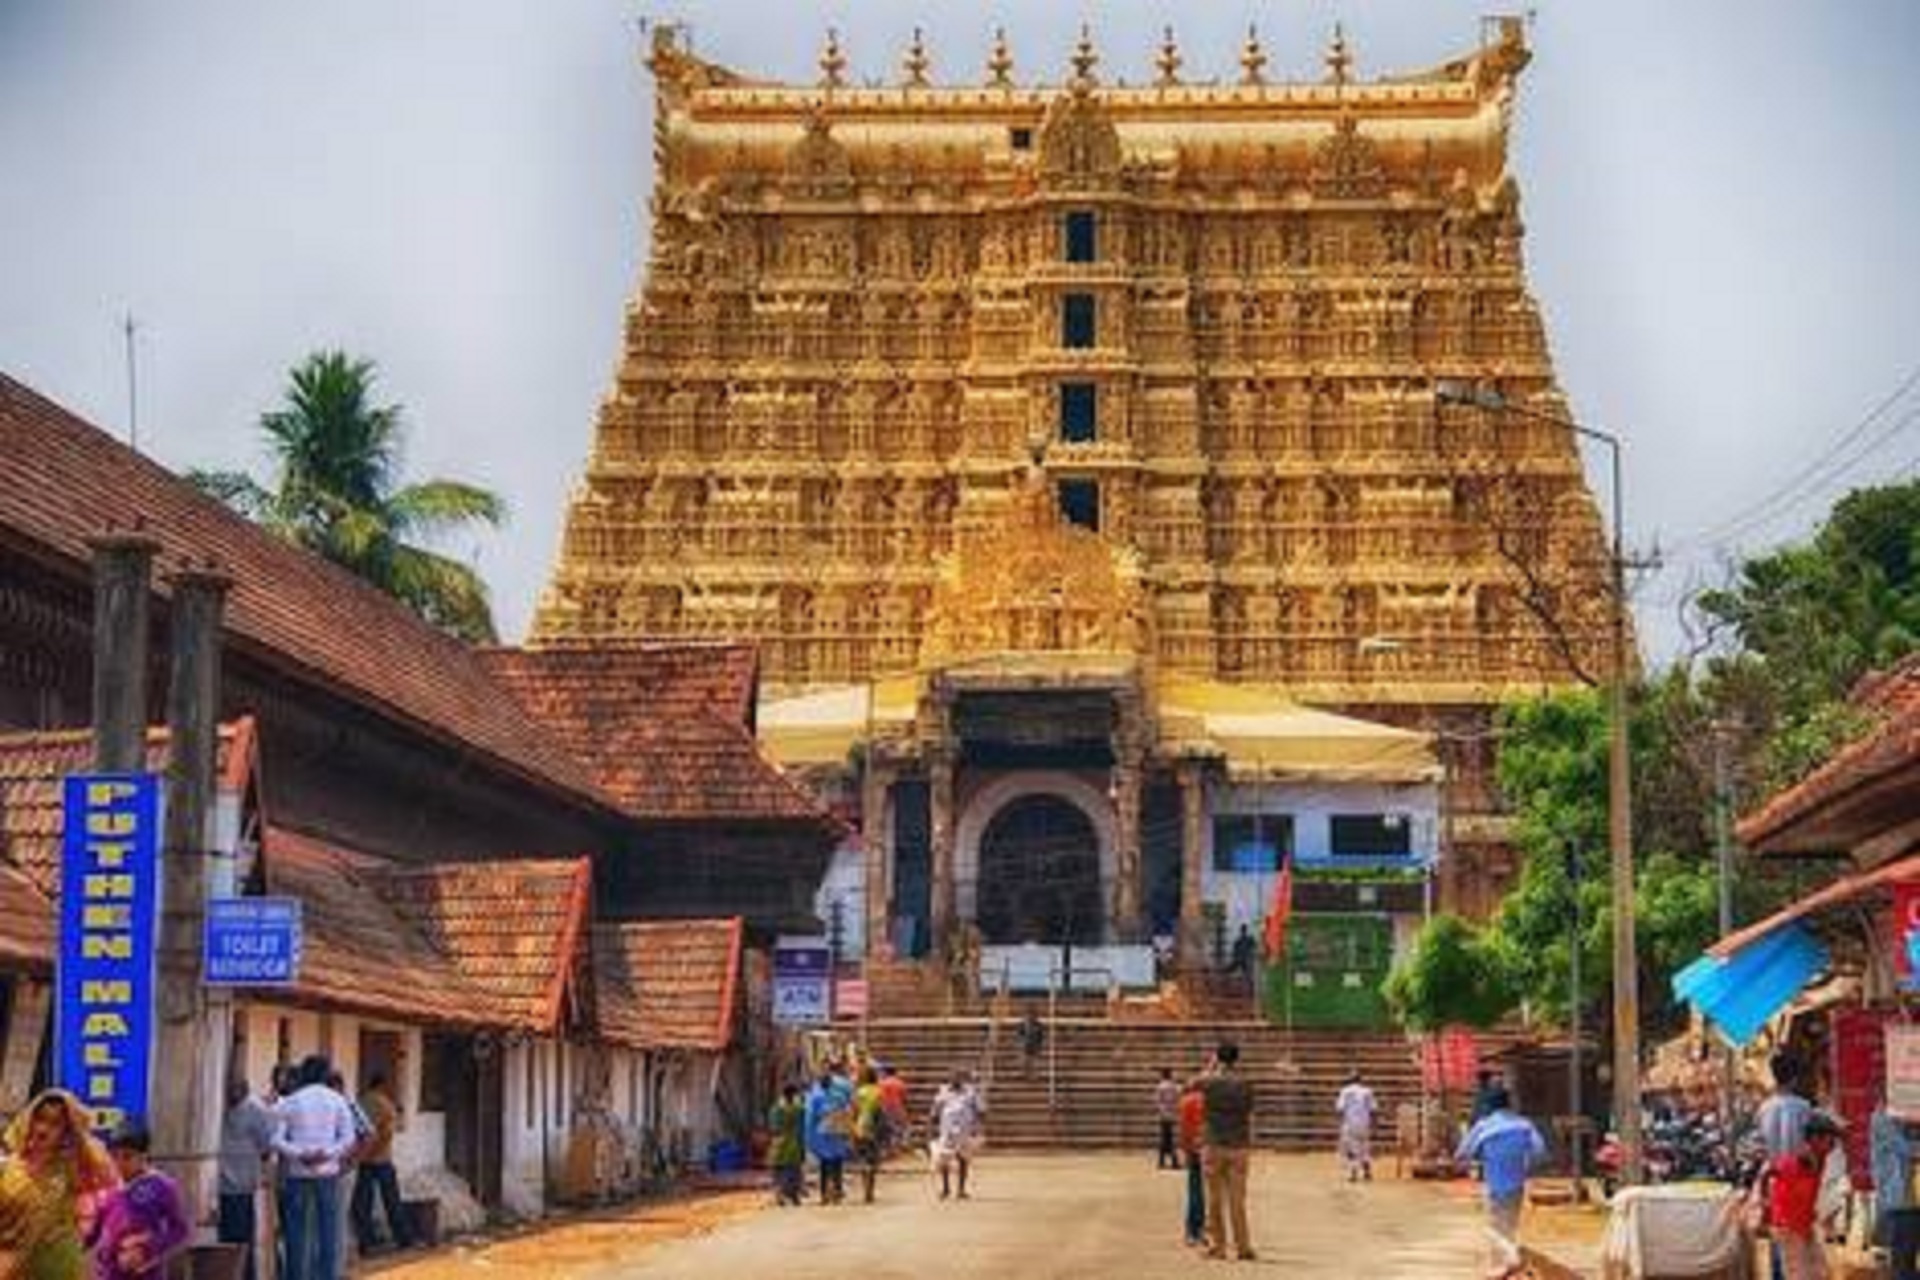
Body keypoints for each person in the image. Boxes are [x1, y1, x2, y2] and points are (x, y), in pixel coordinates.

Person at [0, 1089, 117, 1280]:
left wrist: (79, 1130)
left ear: (66, 1131)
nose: (42, 1128)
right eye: (39, 1118)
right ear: (27, 1120)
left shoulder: (70, 1167)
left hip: (60, 1267)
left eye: (55, 1123)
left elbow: (108, 1176)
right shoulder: (6, 1168)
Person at [274, 1054, 358, 1280]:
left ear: (303, 1074)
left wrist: (301, 1154)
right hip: (328, 1173)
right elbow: (349, 1138)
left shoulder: (292, 1100)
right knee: (328, 1232)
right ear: (326, 1075)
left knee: (296, 1233)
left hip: (298, 1173)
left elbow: (276, 1139)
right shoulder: (337, 1100)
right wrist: (327, 1154)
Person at [1455, 1085, 1546, 1280]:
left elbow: (1463, 1153)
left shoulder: (1483, 1126)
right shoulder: (1525, 1125)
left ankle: (1506, 1262)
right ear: (1509, 1104)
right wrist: (1525, 1161)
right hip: (1517, 1184)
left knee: (1493, 1228)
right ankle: (1507, 1268)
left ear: (1489, 1106)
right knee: (1510, 1226)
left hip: (1493, 1183)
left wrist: (1480, 1154)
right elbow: (1540, 1151)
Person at [89, 1121, 190, 1280]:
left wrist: (148, 1248)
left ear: (144, 1156)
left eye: (127, 1157)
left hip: (145, 1273)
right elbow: (93, 1231)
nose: (119, 1163)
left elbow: (180, 1230)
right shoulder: (106, 1185)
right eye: (114, 1156)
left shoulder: (162, 1186)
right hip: (108, 1273)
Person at [1192, 1041, 1256, 1261]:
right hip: (1239, 1144)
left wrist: (1211, 1067)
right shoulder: (1246, 1083)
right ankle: (1243, 1246)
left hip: (1214, 1143)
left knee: (1214, 1198)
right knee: (1238, 1200)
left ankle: (1218, 1247)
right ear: (1237, 1059)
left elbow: (1189, 1085)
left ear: (1218, 1058)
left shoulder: (1210, 1081)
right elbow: (1249, 1109)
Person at [1761, 1112, 1843, 1280]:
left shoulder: (1821, 1158)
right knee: (1799, 1274)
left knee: (1820, 1273)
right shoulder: (1800, 1159)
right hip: (1788, 1225)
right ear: (1814, 1138)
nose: (1834, 1144)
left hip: (1804, 1223)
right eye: (1830, 1139)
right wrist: (1766, 1204)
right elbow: (1768, 1172)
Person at [218, 1076, 278, 1280]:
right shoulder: (220, 1107)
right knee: (225, 1238)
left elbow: (267, 1145)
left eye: (236, 1091)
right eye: (229, 1091)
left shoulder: (256, 1110)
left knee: (241, 1239)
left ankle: (245, 1275)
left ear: (244, 1091)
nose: (232, 1096)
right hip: (219, 1185)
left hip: (241, 1186)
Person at [351, 1072, 412, 1255]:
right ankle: (403, 1238)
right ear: (383, 1086)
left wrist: (364, 1154)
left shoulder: (360, 1102)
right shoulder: (386, 1105)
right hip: (382, 1159)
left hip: (365, 1159)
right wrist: (376, 1151)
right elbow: (387, 1135)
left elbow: (357, 1130)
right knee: (392, 1201)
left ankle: (366, 1241)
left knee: (363, 1203)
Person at [1871, 1104, 1920, 1280]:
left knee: (1906, 1261)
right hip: (1901, 1202)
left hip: (1910, 1200)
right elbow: (1907, 1149)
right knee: (1903, 1265)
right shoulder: (1883, 1117)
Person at [929, 1071, 984, 1202]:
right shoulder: (943, 1092)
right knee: (943, 1161)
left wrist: (978, 1126)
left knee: (963, 1159)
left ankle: (961, 1189)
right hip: (946, 1131)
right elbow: (934, 1112)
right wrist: (931, 1129)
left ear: (962, 1080)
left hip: (964, 1131)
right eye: (953, 1078)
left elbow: (980, 1110)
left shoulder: (971, 1093)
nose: (955, 1081)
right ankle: (946, 1188)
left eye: (958, 1078)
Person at [805, 1064, 852, 1206]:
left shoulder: (815, 1096)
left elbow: (810, 1117)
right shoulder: (840, 1095)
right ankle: (837, 1191)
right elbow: (847, 1110)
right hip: (838, 1130)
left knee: (825, 1165)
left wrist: (808, 1136)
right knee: (837, 1163)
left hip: (824, 1132)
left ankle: (825, 1194)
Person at [852, 1065, 890, 1204]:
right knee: (873, 1160)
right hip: (874, 1129)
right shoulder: (879, 1092)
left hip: (860, 1128)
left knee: (862, 1159)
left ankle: (865, 1188)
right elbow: (882, 1112)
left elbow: (854, 1111)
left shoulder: (858, 1092)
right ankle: (870, 1191)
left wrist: (853, 1128)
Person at [1178, 1075, 1208, 1250]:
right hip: (1210, 1147)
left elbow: (1184, 1129)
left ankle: (1192, 1230)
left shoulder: (1186, 1101)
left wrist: (1185, 1149)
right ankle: (1205, 1229)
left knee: (1195, 1190)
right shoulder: (1210, 1100)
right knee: (1211, 1193)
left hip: (1195, 1149)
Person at [768, 1083, 807, 1207]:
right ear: (793, 1095)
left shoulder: (776, 1109)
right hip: (794, 1144)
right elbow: (802, 1127)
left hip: (779, 1143)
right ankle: (793, 1196)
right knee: (794, 1171)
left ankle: (779, 1194)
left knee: (778, 1171)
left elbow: (773, 1127)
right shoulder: (799, 1109)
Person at [1336, 1069, 1378, 1183]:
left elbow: (1340, 1109)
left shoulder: (1345, 1091)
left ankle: (1353, 1173)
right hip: (1364, 1123)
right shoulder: (1367, 1091)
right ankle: (1367, 1172)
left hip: (1350, 1123)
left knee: (1351, 1149)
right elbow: (1373, 1110)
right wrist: (1374, 1125)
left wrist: (1340, 1123)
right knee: (1365, 1148)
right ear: (1360, 1080)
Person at [1154, 1068, 1182, 1171]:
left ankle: (1163, 1161)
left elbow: (1157, 1101)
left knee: (1165, 1137)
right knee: (1168, 1137)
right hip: (1171, 1114)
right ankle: (1172, 1161)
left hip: (1163, 1114)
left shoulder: (1160, 1086)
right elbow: (1178, 1097)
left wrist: (1161, 1110)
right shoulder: (1174, 1086)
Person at [877, 1065, 910, 1152]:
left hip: (886, 1108)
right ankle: (901, 1144)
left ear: (886, 1073)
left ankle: (890, 1147)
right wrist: (906, 1108)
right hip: (898, 1108)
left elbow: (880, 1097)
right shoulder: (900, 1083)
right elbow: (904, 1098)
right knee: (903, 1127)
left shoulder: (882, 1083)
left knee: (889, 1128)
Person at [1018, 1013, 1046, 1082]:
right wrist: (1021, 1043)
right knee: (1025, 1061)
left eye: (1031, 1018)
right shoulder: (1022, 1026)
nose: (1029, 1019)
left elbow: (1041, 1036)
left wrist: (1039, 1045)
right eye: (1028, 1018)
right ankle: (1025, 1074)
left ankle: (1034, 1076)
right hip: (1026, 1046)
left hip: (1034, 1046)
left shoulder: (1038, 1026)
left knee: (1034, 1062)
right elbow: (1019, 1035)